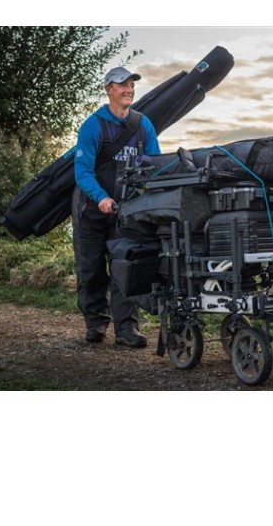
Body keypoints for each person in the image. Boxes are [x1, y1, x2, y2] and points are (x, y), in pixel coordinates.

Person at [72, 67, 160, 347]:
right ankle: (96, 321)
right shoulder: (93, 126)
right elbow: (82, 171)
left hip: (126, 211)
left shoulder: (143, 125)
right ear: (109, 89)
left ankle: (126, 328)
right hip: (91, 208)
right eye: (123, 85)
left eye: (132, 85)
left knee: (125, 266)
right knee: (91, 268)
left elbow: (155, 166)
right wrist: (101, 197)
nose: (129, 89)